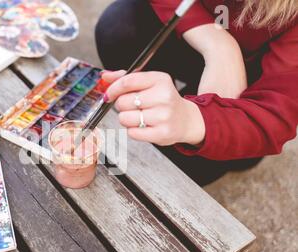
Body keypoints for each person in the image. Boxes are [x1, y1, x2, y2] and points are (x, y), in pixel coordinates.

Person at [95, 0, 298, 185]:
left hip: (257, 72)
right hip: (197, 28)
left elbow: (278, 109)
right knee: (119, 28)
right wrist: (220, 45)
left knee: (201, 157)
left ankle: (241, 154)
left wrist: (192, 121)